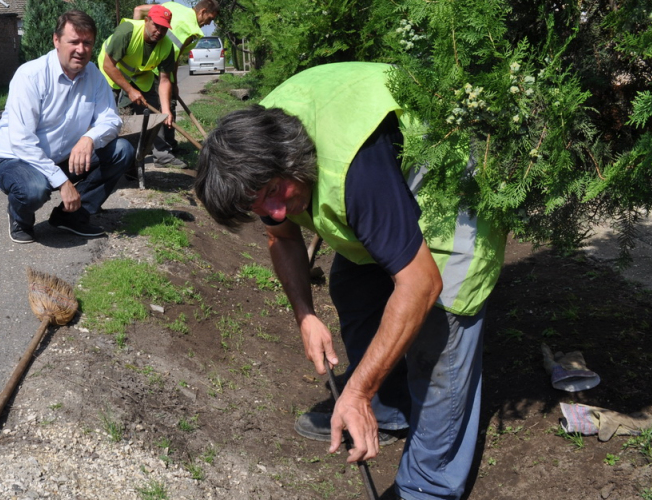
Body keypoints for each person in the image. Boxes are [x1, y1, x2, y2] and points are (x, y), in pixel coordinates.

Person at [194, 62, 506, 500]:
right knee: (354, 286)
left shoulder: (354, 169)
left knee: (438, 339)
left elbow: (420, 285)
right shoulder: (255, 154)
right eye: (258, 206)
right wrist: (305, 315)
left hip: (446, 178)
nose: (276, 213)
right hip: (369, 178)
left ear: (288, 158)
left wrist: (356, 390)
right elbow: (280, 236)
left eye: (273, 195)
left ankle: (429, 487)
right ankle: (389, 411)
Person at [0, 10, 133, 244]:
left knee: (122, 151)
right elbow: (22, 142)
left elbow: (111, 120)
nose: (81, 49)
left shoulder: (94, 77)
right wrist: (63, 182)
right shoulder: (30, 76)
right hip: (16, 159)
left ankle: (73, 216)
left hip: (63, 155)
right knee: (34, 189)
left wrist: (89, 138)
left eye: (87, 43)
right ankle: (20, 218)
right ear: (56, 40)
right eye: (74, 41)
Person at [98, 5, 184, 168]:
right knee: (109, 114)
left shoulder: (167, 47)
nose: (159, 31)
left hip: (140, 75)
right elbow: (108, 65)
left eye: (164, 28)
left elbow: (165, 80)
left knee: (156, 112)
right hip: (112, 70)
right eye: (156, 25)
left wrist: (166, 111)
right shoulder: (127, 31)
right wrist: (129, 90)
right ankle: (106, 156)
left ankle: (162, 155)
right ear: (146, 21)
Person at [132, 0, 220, 154]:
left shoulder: (173, 8)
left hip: (151, 65)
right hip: (156, 70)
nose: (208, 23)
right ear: (202, 11)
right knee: (162, 109)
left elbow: (138, 10)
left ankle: (170, 145)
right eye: (210, 19)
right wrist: (172, 83)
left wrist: (135, 43)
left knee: (166, 106)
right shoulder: (191, 28)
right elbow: (172, 58)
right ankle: (163, 153)